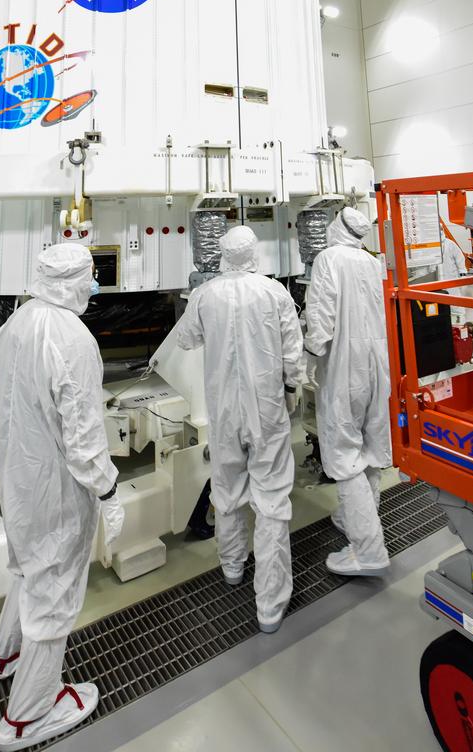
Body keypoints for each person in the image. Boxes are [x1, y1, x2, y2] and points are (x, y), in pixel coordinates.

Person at [0, 244, 125, 751]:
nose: (94, 286)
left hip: (20, 477)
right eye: (91, 278)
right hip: (58, 487)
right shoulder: (74, 339)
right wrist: (107, 488)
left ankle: (2, 655)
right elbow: (84, 439)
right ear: (76, 280)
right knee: (55, 592)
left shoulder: (16, 323)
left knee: (28, 566)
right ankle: (28, 715)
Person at [176, 225, 303, 634]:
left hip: (224, 411)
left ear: (222, 255)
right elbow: (292, 351)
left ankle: (232, 568)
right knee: (271, 500)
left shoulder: (205, 294)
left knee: (227, 491)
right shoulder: (274, 293)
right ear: (255, 254)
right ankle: (269, 604)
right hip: (266, 410)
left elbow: (186, 340)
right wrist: (292, 388)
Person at [304, 207, 391, 578]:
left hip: (345, 368)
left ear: (335, 227)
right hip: (378, 364)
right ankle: (355, 517)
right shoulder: (372, 262)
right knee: (370, 446)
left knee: (343, 454)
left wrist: (306, 356)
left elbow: (321, 321)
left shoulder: (328, 259)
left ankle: (368, 549)